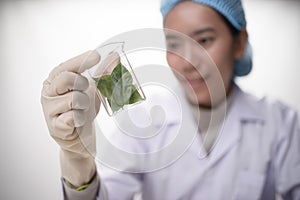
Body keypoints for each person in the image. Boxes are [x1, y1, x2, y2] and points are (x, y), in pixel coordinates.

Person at [41, 0, 300, 199]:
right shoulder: (143, 121)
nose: (188, 62)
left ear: (240, 42)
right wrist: (77, 158)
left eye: (204, 40)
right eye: (174, 44)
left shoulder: (281, 123)